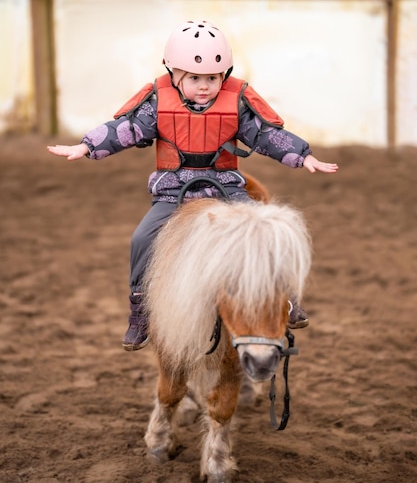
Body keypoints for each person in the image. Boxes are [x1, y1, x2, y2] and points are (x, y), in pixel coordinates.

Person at [48, 19, 338, 352]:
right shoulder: (157, 103)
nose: (204, 86)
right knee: (142, 237)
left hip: (226, 186)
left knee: (266, 231)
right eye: (195, 78)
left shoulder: (237, 104)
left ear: (224, 76)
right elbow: (123, 129)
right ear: (174, 75)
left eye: (212, 78)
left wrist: (303, 156)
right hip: (174, 189)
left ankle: (285, 297)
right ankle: (140, 309)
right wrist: (85, 146)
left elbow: (266, 135)